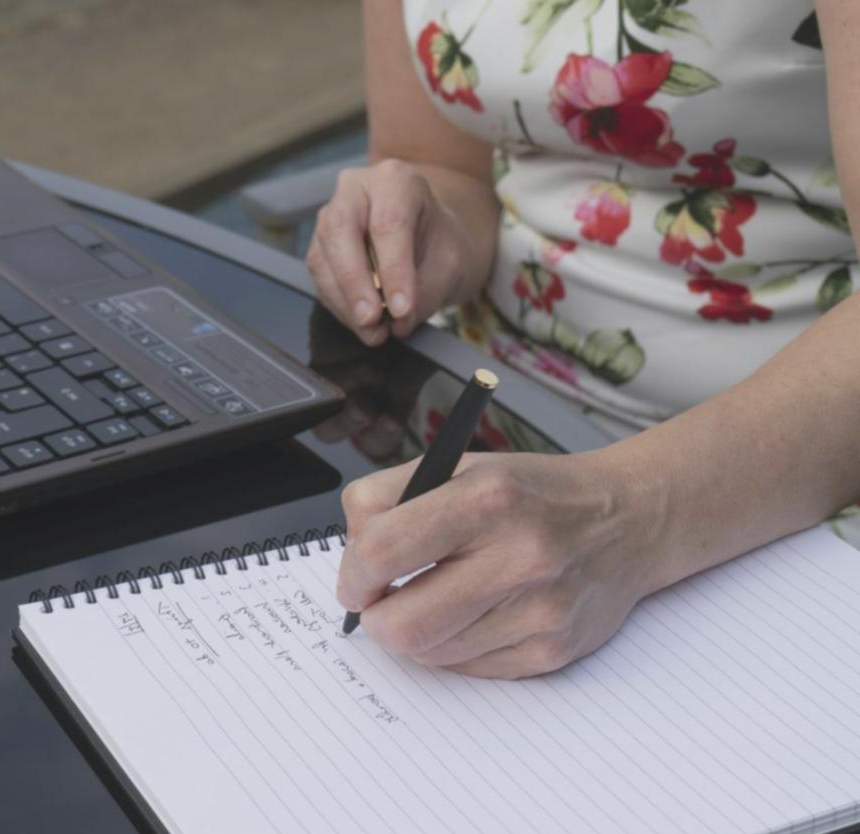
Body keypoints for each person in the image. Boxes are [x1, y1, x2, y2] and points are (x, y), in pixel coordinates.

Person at [312, 0, 860, 678]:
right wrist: (422, 235)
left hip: (786, 468)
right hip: (488, 413)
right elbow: (444, 163)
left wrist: (625, 511)